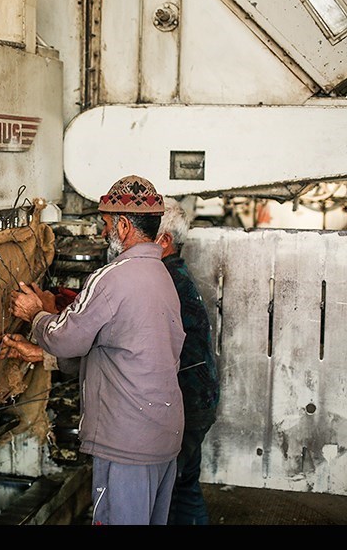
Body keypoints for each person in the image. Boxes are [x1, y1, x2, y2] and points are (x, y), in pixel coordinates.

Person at [1, 175, 185, 525]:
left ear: (124, 225)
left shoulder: (113, 276)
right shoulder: (162, 276)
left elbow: (64, 338)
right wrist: (37, 354)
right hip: (162, 436)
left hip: (127, 442)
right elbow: (121, 352)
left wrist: (35, 314)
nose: (104, 233)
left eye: (105, 224)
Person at [156, 198, 220, 525]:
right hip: (199, 400)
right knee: (184, 487)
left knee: (168, 494)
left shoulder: (165, 282)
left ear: (164, 241)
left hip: (188, 403)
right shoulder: (174, 274)